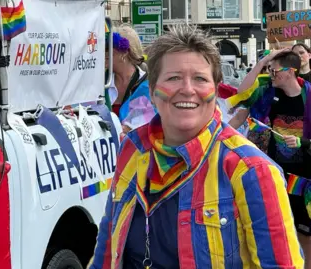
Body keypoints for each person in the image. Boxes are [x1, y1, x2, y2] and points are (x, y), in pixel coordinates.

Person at [87, 24, 303, 269]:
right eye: (173, 78)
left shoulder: (251, 170)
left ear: (215, 89)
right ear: (153, 91)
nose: (187, 90)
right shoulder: (131, 149)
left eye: (200, 78)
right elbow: (106, 251)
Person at [228, 48, 311, 268]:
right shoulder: (265, 92)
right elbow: (241, 97)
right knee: (276, 228)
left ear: (290, 71)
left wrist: (302, 142)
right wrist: (264, 60)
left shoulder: (309, 95)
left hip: (303, 178)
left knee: (305, 232)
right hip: (272, 173)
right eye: (269, 70)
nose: (271, 74)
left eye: (274, 71)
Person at [104, 24, 155, 135]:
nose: (104, 53)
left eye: (108, 48)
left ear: (125, 52)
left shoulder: (147, 85)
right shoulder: (100, 83)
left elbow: (142, 125)